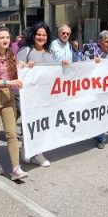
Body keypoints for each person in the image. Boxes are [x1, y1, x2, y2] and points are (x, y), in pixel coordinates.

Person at [16, 22, 64, 168]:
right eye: (38, 34)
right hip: (28, 97)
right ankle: (35, 152)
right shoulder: (26, 51)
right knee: (32, 123)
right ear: (33, 35)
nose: (41, 37)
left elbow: (56, 73)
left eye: (44, 35)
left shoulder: (49, 53)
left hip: (45, 97)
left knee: (42, 124)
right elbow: (15, 71)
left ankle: (29, 150)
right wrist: (23, 66)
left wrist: (65, 66)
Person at [0, 27, 27, 181]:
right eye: (1, 37)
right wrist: (9, 82)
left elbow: (17, 75)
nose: (5, 40)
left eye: (7, 37)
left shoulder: (12, 56)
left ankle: (16, 168)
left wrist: (25, 67)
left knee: (11, 133)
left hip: (8, 98)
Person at [86, 30, 108, 149]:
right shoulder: (90, 52)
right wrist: (92, 62)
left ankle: (101, 138)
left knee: (102, 114)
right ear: (100, 42)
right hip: (92, 89)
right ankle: (94, 133)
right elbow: (81, 65)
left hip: (106, 90)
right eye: (106, 42)